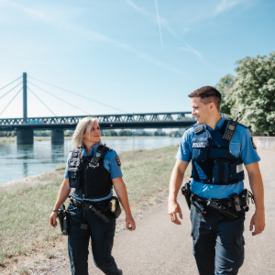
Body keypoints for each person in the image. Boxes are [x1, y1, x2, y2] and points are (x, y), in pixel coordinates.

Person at [168, 86, 265, 275]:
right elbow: (179, 170)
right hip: (200, 212)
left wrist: (260, 211)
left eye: (196, 107)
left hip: (230, 214)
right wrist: (171, 200)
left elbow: (254, 173)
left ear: (211, 106)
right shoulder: (190, 135)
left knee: (226, 270)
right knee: (205, 268)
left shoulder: (240, 133)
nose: (192, 112)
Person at [49, 117, 136, 275]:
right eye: (93, 128)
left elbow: (119, 185)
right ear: (83, 133)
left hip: (101, 214)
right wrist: (55, 209)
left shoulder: (109, 155)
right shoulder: (73, 156)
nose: (97, 131)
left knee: (102, 260)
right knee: (78, 265)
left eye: (98, 128)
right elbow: (66, 185)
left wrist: (128, 214)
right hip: (76, 213)